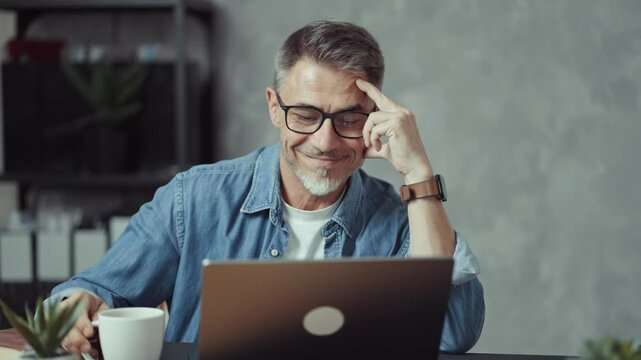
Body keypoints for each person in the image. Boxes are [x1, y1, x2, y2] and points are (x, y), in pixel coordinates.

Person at [52, 20, 485, 354]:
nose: (325, 141)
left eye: (349, 118)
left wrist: (418, 176)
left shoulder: (398, 218)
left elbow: (450, 334)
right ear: (274, 109)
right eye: (305, 114)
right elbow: (100, 290)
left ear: (375, 118)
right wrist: (75, 305)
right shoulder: (194, 199)